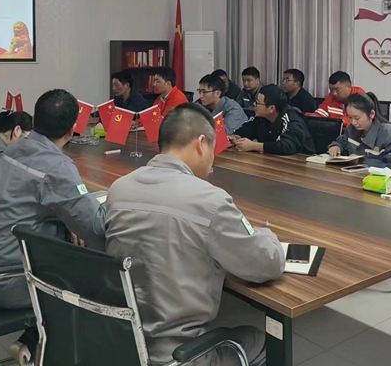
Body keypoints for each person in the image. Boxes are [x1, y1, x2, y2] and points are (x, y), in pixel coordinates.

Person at [105, 103, 284, 366]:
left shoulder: (118, 189)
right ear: (201, 144)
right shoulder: (210, 200)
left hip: (123, 344)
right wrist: (267, 234)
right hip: (179, 356)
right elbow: (266, 264)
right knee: (266, 341)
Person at [0, 89, 106, 311]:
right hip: (12, 281)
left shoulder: (16, 147)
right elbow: (96, 228)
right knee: (102, 259)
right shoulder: (57, 166)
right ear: (72, 130)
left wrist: (69, 218)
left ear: (34, 121)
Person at [328, 92, 391, 173]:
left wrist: (361, 162)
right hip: (360, 176)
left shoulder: (389, 135)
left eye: (357, 118)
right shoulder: (352, 129)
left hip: (389, 180)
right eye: (350, 117)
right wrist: (336, 146)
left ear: (371, 114)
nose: (353, 122)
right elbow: (342, 142)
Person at [231, 84, 315, 155]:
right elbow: (246, 130)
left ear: (271, 108)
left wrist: (254, 146)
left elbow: (287, 147)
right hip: (272, 160)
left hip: (301, 163)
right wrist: (236, 138)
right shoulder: (261, 118)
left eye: (257, 103)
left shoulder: (291, 119)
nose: (254, 105)